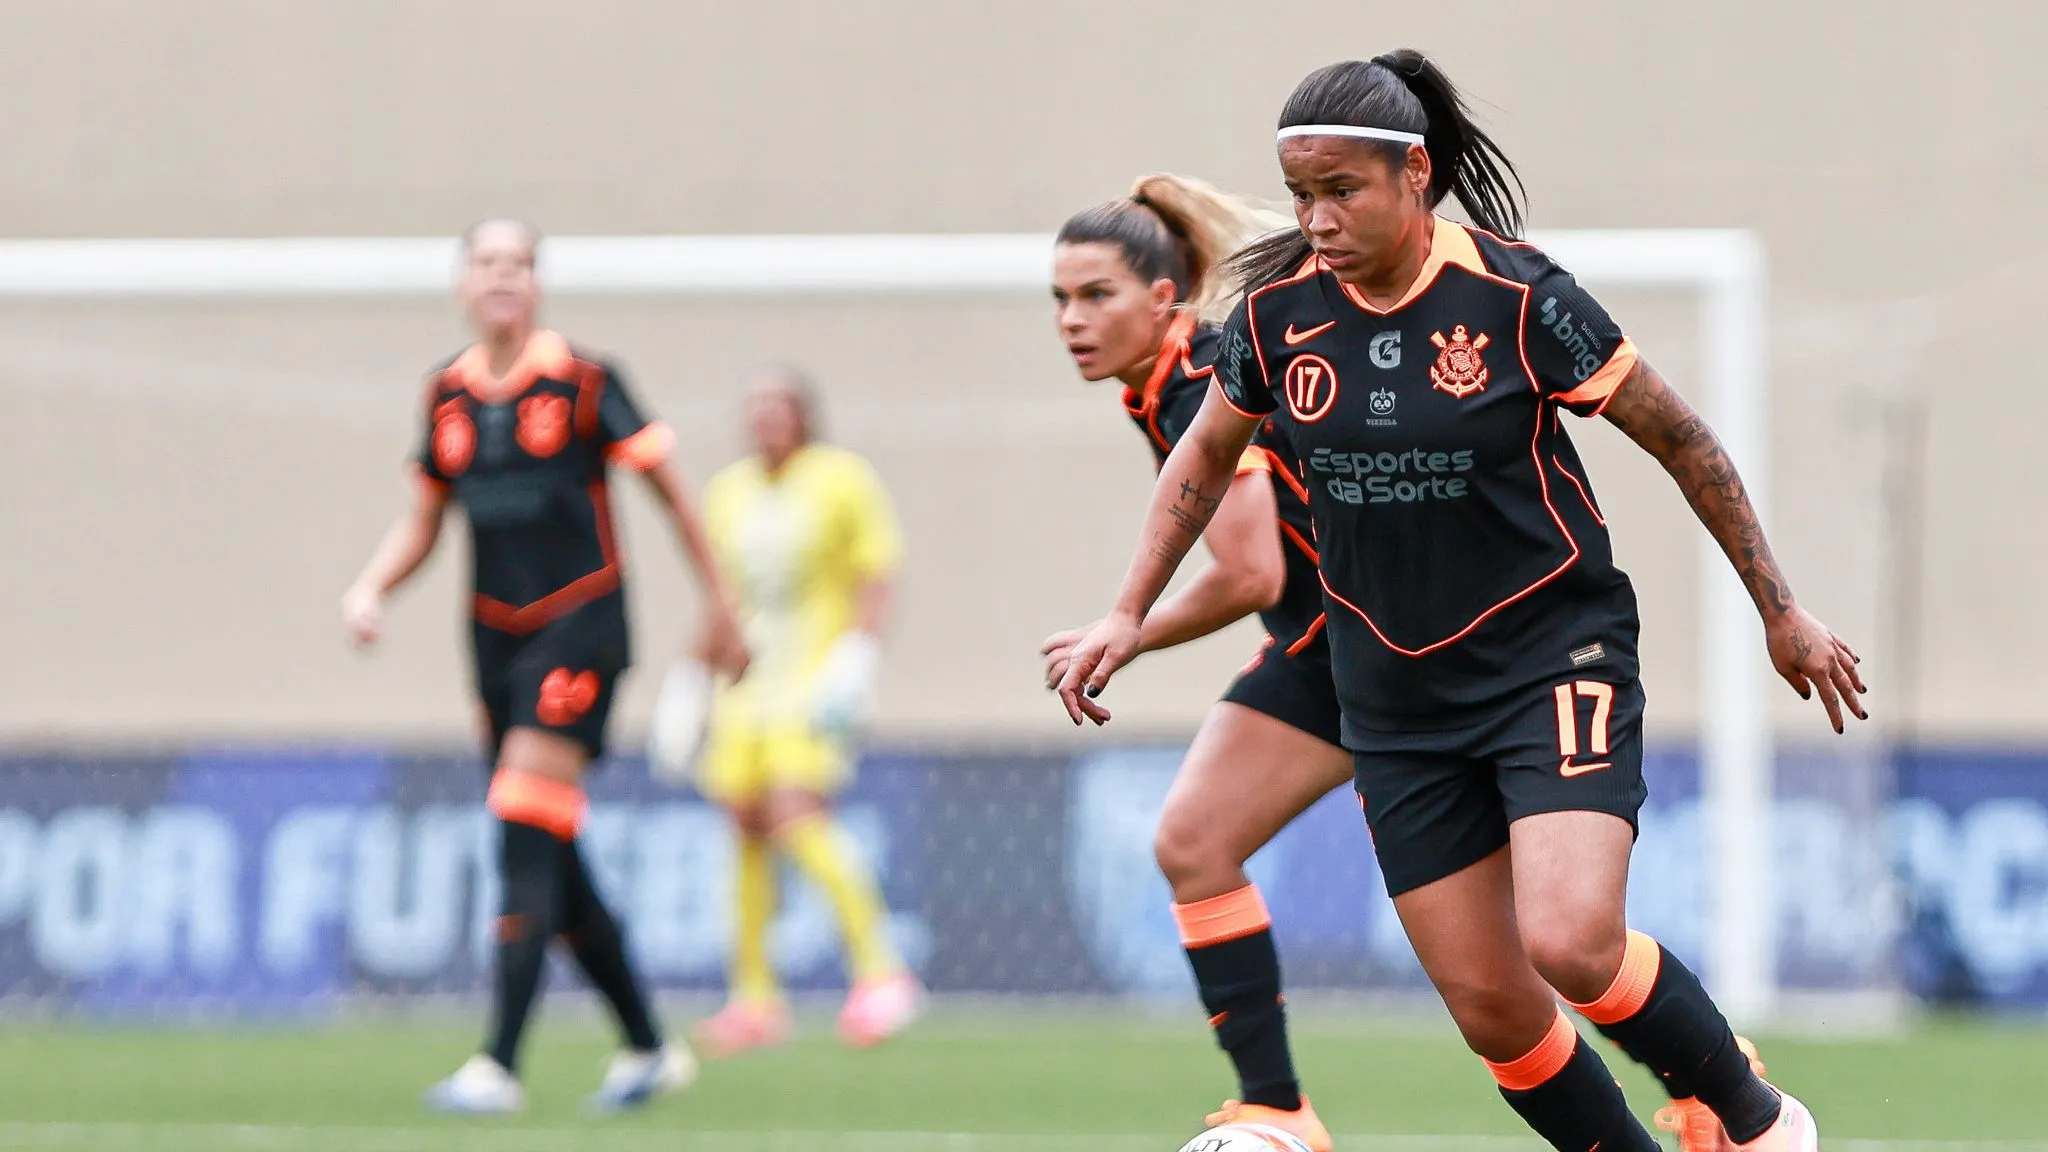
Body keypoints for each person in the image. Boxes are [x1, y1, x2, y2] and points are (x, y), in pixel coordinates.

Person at [1054, 53, 1868, 1152]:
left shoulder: (1519, 297)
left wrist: (1780, 610)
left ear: (1415, 175)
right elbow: (1201, 457)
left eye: (1340, 191)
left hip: (1550, 657)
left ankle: (1759, 1122)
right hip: (1391, 697)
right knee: (1492, 1008)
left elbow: (1682, 440)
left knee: (1570, 943)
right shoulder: (1276, 316)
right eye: (1301, 194)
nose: (1316, 219)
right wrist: (1124, 611)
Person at [340, 217, 749, 1115]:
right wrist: (372, 588)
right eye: (487, 263)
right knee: (550, 850)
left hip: (581, 627)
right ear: (462, 283)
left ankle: (499, 1065)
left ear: (537, 283)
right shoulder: (446, 396)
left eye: (519, 264)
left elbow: (674, 495)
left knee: (522, 823)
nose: (503, 277)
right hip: (494, 642)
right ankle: (648, 1048)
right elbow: (425, 520)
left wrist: (721, 607)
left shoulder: (585, 381)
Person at [1041, 174, 1348, 1151]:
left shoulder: (1198, 380)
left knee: (1532, 943)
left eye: (1097, 295)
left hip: (1390, 655)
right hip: (1321, 652)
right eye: (1060, 298)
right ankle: (1276, 1111)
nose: (1072, 320)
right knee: (1193, 842)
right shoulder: (1165, 384)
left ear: (1163, 298)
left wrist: (1124, 629)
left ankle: (1716, 1084)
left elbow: (1251, 570)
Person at [686, 368, 921, 1055]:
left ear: (802, 415)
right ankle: (754, 996)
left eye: (776, 406)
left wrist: (858, 658)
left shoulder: (841, 480)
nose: (764, 418)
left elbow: (876, 573)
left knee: (798, 814)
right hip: (745, 687)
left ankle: (881, 972)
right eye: (754, 406)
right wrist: (690, 679)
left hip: (812, 679)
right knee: (744, 824)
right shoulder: (728, 492)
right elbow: (720, 597)